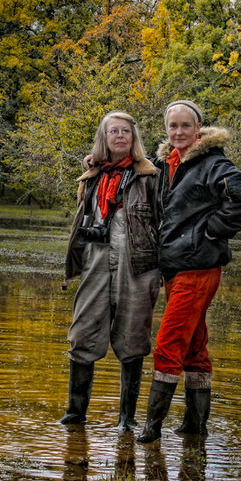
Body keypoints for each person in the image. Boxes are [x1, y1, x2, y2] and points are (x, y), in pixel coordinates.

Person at [136, 100, 241, 444]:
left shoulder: (212, 163)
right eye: (172, 126)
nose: (178, 132)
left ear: (198, 129)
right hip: (176, 267)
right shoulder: (168, 164)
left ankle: (151, 429)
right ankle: (195, 426)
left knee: (168, 344)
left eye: (185, 126)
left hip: (199, 267)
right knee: (194, 348)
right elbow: (132, 167)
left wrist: (215, 228)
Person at [61, 111, 161, 430]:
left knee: (133, 339)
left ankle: (127, 420)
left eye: (125, 132)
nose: (119, 136)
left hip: (138, 267)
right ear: (103, 139)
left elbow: (163, 223)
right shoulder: (91, 177)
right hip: (95, 262)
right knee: (83, 334)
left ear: (134, 138)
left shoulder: (151, 177)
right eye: (113, 131)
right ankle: (76, 414)